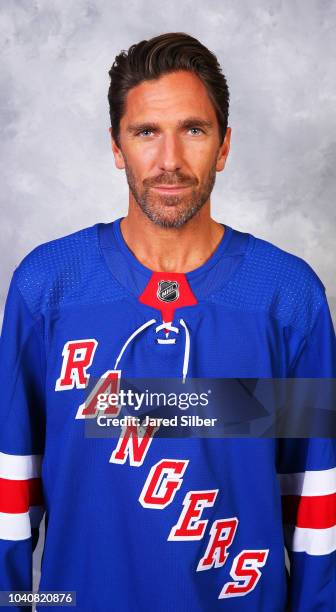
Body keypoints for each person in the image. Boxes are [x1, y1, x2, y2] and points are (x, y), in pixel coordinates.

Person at [0, 32, 335, 612]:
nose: (170, 160)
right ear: (116, 146)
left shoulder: (287, 298)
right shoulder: (46, 288)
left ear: (224, 147)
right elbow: (10, 499)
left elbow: (314, 508)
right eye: (146, 132)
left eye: (194, 130)